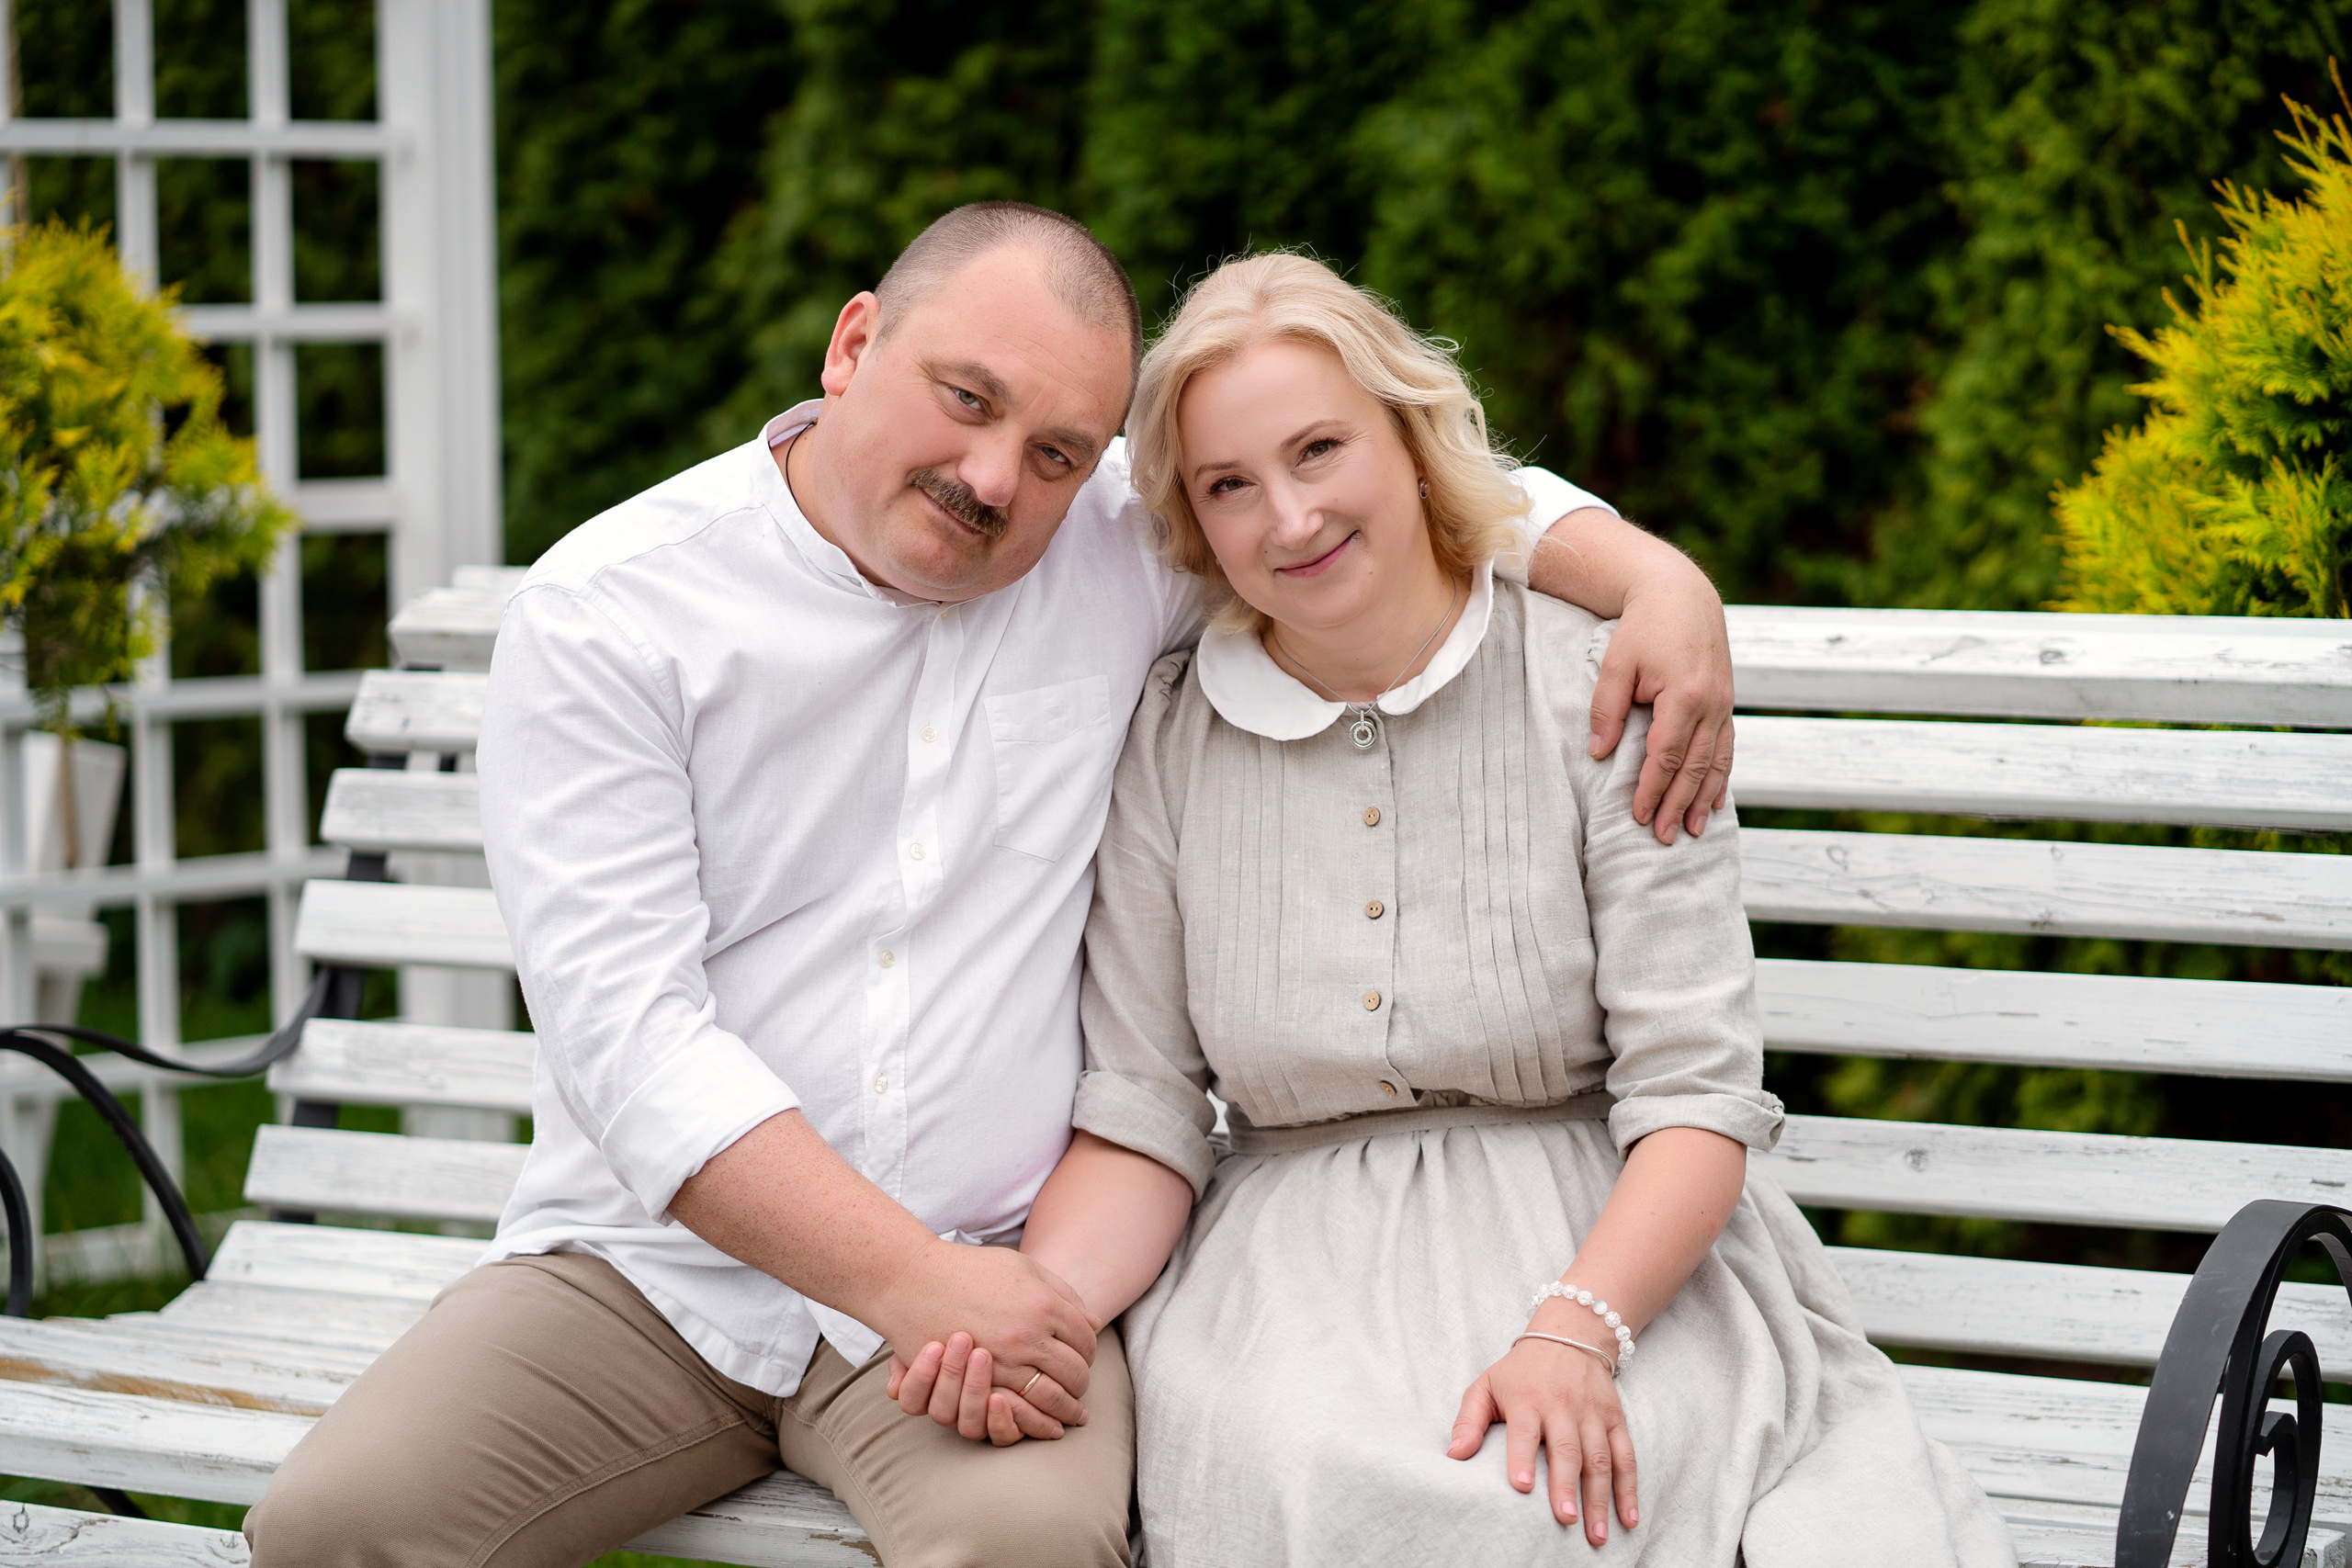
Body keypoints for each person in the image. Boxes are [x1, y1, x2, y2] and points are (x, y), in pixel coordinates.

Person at [243, 206, 1741, 1568]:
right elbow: (634, 1047)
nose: (991, 479)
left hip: (1013, 1270)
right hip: (653, 1276)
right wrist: (909, 1285)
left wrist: (1660, 583)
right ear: (853, 344)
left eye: (1056, 451)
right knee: (334, 1530)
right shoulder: (614, 614)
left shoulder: (1116, 544)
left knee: (1023, 1554)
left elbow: (1404, 483)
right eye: (967, 401)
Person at [897, 253, 2018, 1566]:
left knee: (1577, 1494)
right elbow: (1144, 1102)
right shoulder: (1171, 743)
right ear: (1193, 524)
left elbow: (1696, 1099)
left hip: (1616, 1252)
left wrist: (1574, 1330)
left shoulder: (1607, 693)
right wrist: (1042, 1312)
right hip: (1289, 1287)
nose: (1291, 516)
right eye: (1231, 487)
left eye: (1322, 450)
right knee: (1355, 1478)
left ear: (1414, 439)